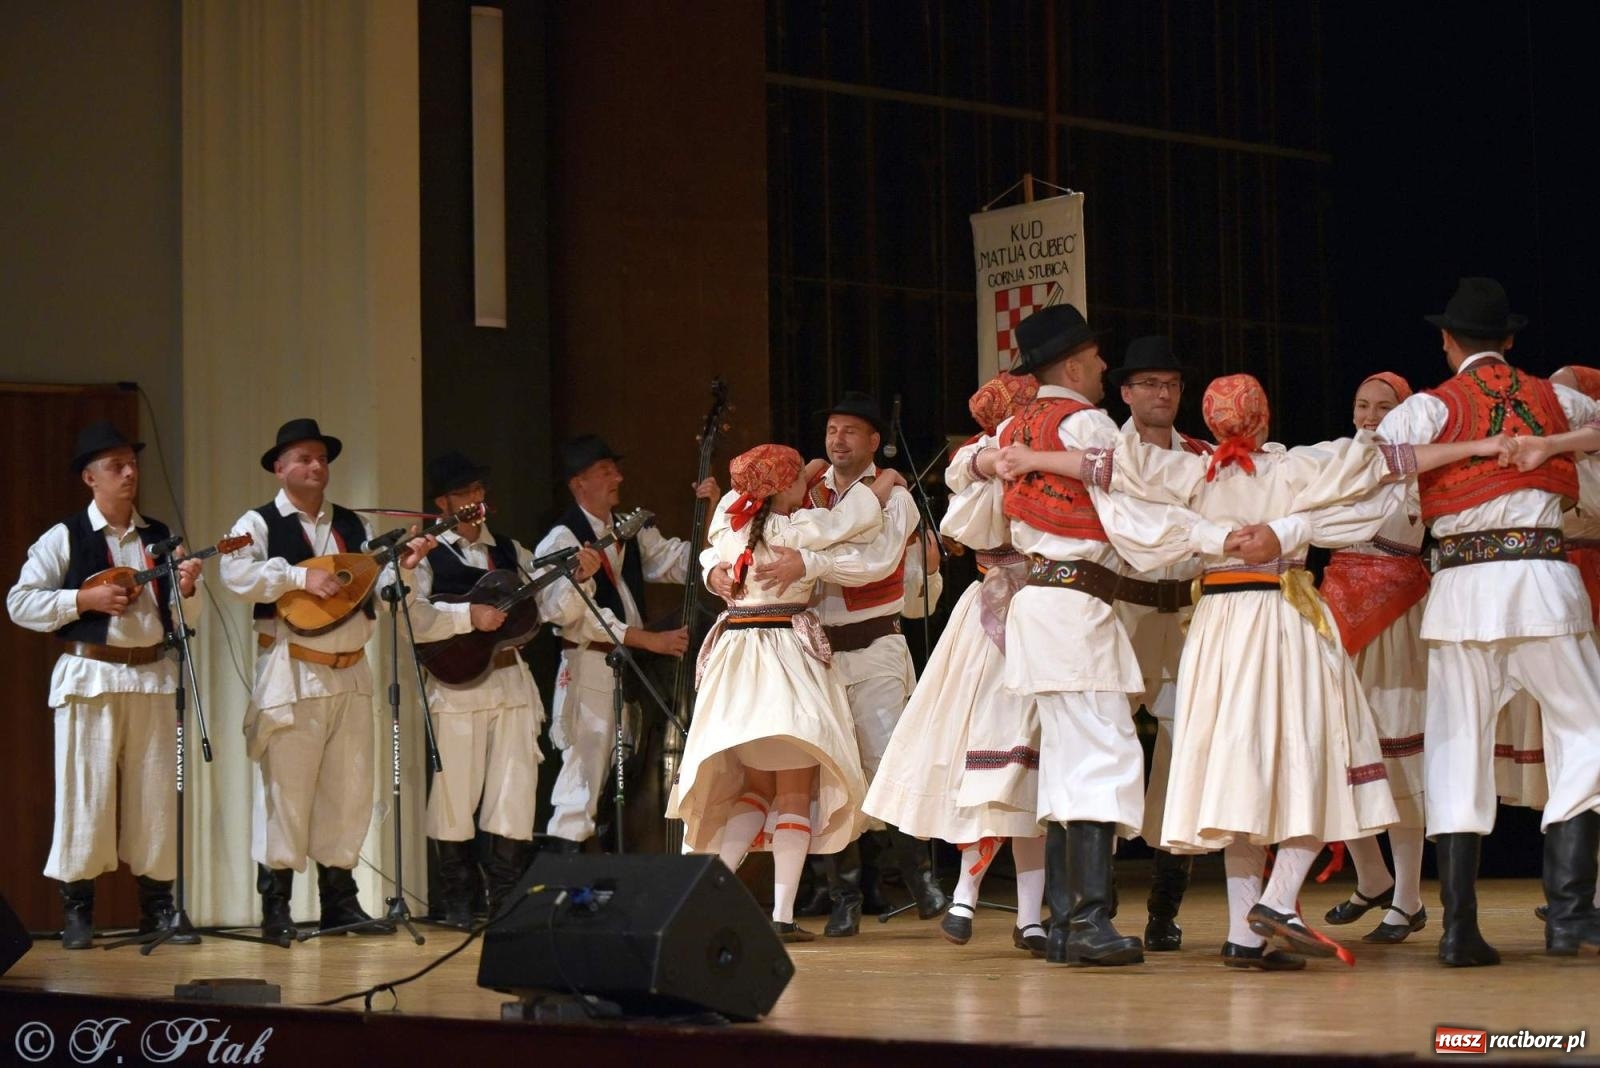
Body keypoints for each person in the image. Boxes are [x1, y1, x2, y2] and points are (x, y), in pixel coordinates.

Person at [995, 372, 1507, 969]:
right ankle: (1279, 899)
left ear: (1211, 423)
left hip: (1217, 625)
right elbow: (1392, 459)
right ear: (1262, 418)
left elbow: (1102, 467)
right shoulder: (1294, 469)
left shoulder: (1188, 471)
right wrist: (1478, 446)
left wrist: (1027, 454)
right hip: (1282, 615)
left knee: (1239, 767)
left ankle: (1246, 933)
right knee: (1319, 756)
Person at [1378, 277, 1600, 964]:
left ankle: (1458, 930)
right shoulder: (1553, 398)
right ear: (1509, 340)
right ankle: (1568, 916)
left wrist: (1466, 450)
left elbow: (1379, 459)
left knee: (1456, 749)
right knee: (1587, 734)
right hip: (1543, 587)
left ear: (1448, 342)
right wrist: (1551, 443)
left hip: (1464, 593)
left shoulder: (1428, 407)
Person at [711, 393, 946, 933]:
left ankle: (918, 877)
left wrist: (807, 561)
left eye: (850, 431)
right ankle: (841, 896)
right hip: (807, 650)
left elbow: (877, 563)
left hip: (872, 645)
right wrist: (716, 572)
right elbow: (737, 539)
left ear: (873, 442)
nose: (837, 440)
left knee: (883, 761)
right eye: (832, 430)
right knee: (821, 769)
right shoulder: (805, 491)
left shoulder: (895, 498)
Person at [669, 444, 894, 940]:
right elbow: (851, 518)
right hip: (784, 663)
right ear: (785, 488)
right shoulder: (797, 529)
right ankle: (782, 915)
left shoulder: (733, 524)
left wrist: (714, 573)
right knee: (793, 788)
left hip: (737, 663)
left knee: (755, 789)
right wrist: (887, 481)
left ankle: (704, 902)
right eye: (798, 481)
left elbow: (718, 537)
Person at [221, 418, 434, 938]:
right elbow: (236, 574)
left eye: (321, 458)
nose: (316, 467)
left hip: (350, 673)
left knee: (349, 787)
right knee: (286, 791)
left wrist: (403, 567)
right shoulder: (257, 521)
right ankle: (276, 908)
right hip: (292, 671)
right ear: (280, 467)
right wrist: (297, 575)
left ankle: (340, 901)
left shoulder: (352, 525)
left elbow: (381, 593)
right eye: (303, 458)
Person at [864, 371, 1048, 953]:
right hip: (1002, 608)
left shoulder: (1046, 457)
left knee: (1033, 767)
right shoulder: (980, 463)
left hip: (1049, 604)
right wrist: (989, 469)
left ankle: (1028, 915)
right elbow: (961, 528)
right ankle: (970, 894)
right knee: (996, 752)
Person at [7, 421, 202, 948]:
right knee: (84, 791)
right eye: (116, 465)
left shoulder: (160, 538)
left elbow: (186, 621)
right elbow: (19, 602)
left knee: (155, 795)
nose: (130, 472)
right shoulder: (66, 536)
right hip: (90, 675)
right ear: (90, 477)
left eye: (133, 463)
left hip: (152, 676)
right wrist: (81, 601)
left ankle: (157, 910)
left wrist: (186, 587)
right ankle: (78, 911)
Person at [404, 450, 599, 926]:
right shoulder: (428, 556)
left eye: (478, 491)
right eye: (464, 493)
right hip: (457, 685)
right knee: (455, 790)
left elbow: (555, 610)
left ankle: (506, 897)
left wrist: (580, 578)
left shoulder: (511, 551)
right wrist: (465, 615)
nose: (475, 499)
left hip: (510, 679)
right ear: (442, 502)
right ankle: (457, 900)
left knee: (515, 787)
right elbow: (412, 615)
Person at [534, 434, 718, 852]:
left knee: (614, 773)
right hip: (590, 666)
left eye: (615, 469)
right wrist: (646, 639)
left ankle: (599, 871)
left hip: (625, 667)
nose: (618, 477)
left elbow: (683, 563)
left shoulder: (626, 532)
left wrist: (710, 512)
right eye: (605, 471)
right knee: (583, 773)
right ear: (579, 483)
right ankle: (565, 877)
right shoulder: (561, 540)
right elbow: (562, 615)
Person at [1105, 336, 1213, 952]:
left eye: (1170, 384)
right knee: (1111, 754)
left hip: (1184, 619)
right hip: (1122, 611)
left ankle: (1164, 910)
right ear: (1125, 392)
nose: (1162, 394)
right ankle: (1103, 905)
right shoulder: (1106, 453)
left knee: (1181, 758)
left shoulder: (1201, 455)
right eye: (1148, 384)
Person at [1319, 372, 1432, 944]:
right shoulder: (1339, 460)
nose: (1368, 415)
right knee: (1335, 752)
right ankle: (1372, 875)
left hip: (1394, 621)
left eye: (1382, 408)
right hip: (1337, 616)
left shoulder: (1414, 472)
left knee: (1396, 755)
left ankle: (1408, 898)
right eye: (1361, 405)